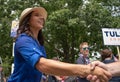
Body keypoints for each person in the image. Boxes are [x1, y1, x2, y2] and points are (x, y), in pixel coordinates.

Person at [7, 7, 111, 82]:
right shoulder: (23, 40)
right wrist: (86, 70)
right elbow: (42, 65)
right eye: (36, 15)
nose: (42, 18)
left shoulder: (39, 43)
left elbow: (44, 69)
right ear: (28, 21)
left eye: (42, 16)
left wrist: (61, 74)